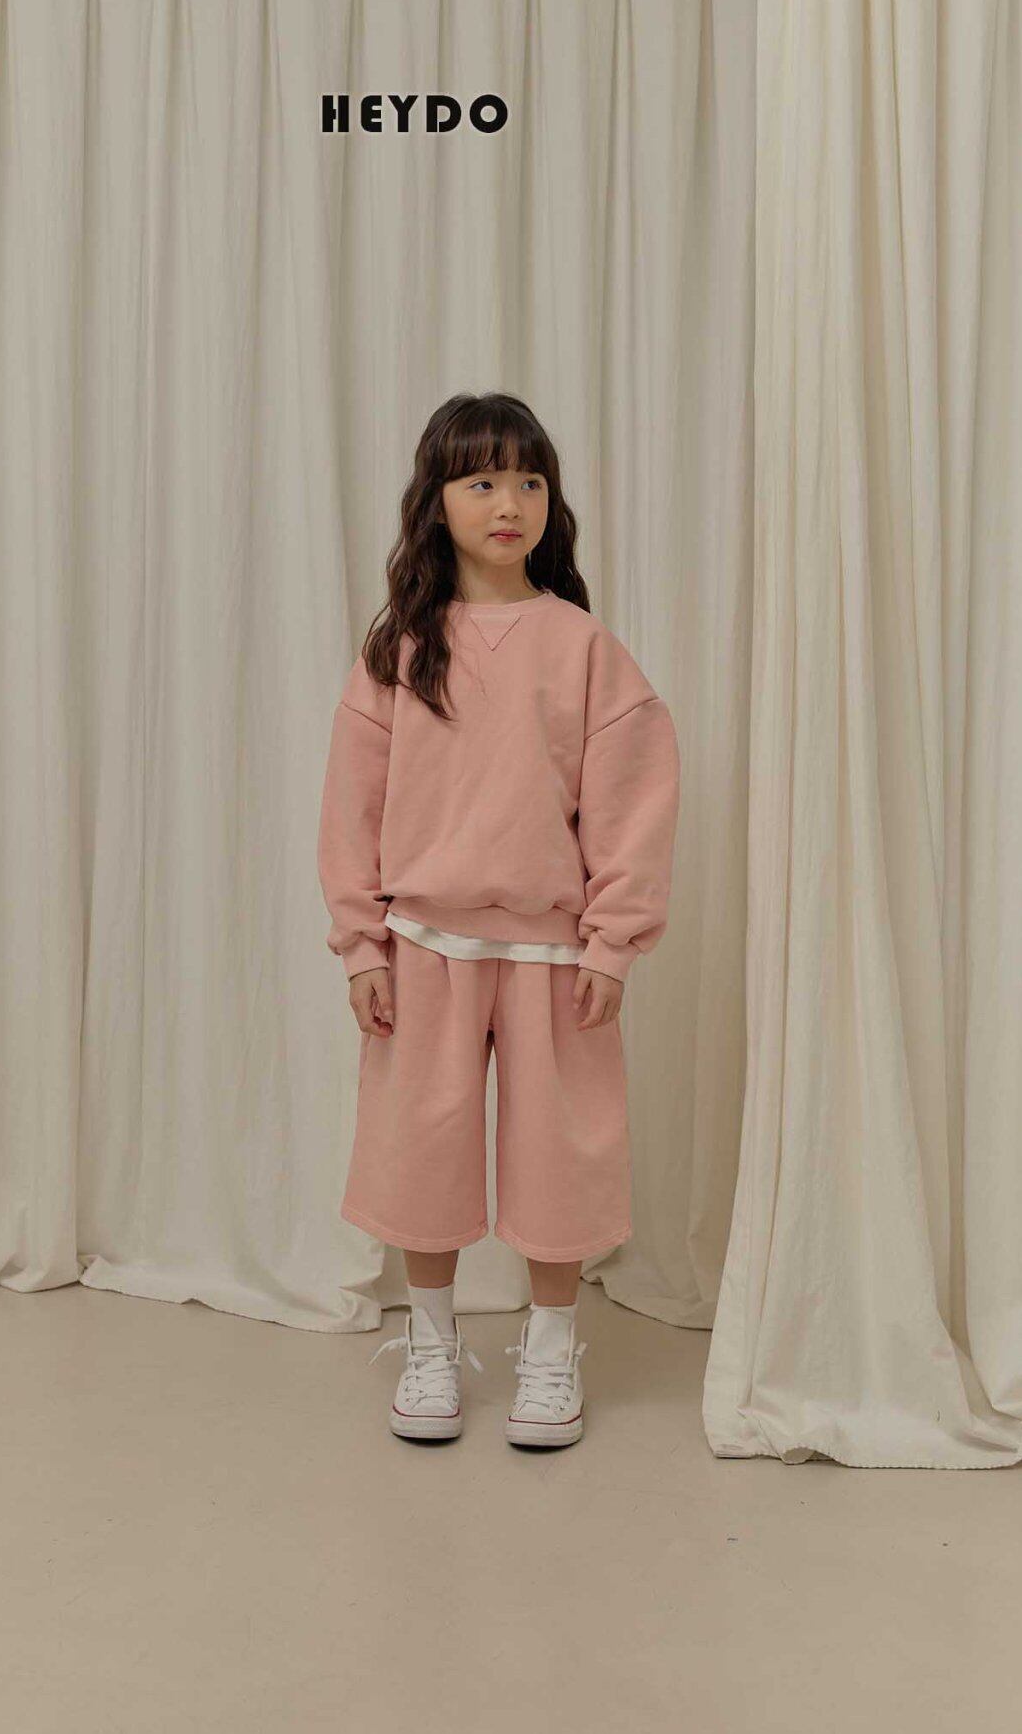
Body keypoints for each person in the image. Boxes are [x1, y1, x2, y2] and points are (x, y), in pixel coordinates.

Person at [316, 392, 680, 1448]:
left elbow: (631, 803)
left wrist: (612, 943)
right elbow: (351, 809)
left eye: (528, 480)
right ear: (436, 502)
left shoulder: (583, 647)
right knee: (417, 1150)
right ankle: (430, 1346)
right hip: (421, 945)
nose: (508, 502)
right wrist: (360, 944)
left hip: (553, 951)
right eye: (480, 481)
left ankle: (551, 1350)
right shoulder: (400, 649)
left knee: (560, 1156)